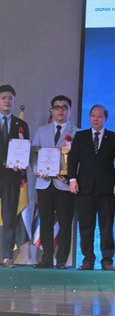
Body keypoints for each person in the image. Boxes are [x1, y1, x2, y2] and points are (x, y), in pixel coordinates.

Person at [68, 104, 115, 271]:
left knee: (106, 226)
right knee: (86, 226)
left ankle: (107, 260)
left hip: (107, 189)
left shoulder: (114, 137)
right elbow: (73, 160)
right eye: (93, 115)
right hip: (84, 188)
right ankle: (88, 259)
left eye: (99, 116)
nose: (96, 119)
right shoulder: (80, 136)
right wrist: (72, 179)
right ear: (89, 117)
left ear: (105, 118)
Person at [31, 95, 78, 269]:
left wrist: (71, 176)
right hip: (44, 183)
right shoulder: (41, 130)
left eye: (64, 107)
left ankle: (61, 260)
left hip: (64, 184)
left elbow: (79, 160)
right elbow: (33, 155)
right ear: (51, 111)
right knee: (45, 221)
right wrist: (37, 170)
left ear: (69, 111)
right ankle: (47, 258)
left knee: (65, 222)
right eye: (57, 107)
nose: (60, 110)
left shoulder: (77, 132)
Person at [0, 85, 30, 268]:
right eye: (3, 97)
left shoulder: (21, 125)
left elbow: (25, 150)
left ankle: (7, 256)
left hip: (11, 178)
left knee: (9, 217)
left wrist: (21, 162)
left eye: (10, 98)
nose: (7, 101)